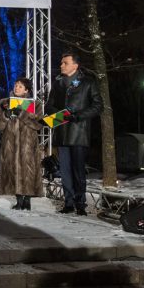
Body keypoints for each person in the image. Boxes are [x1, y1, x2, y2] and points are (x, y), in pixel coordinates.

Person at [45, 53, 103, 215]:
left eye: (65, 63)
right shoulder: (57, 84)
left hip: (79, 133)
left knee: (78, 171)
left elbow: (98, 106)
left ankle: (80, 204)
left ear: (75, 65)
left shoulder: (88, 82)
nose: (61, 65)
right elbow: (49, 106)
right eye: (61, 62)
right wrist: (60, 115)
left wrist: (78, 116)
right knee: (65, 171)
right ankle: (68, 203)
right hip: (62, 133)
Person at [0, 78, 43, 210]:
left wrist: (21, 113)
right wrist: (5, 115)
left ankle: (27, 201)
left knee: (28, 171)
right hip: (10, 143)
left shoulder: (35, 104)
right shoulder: (4, 103)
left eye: (20, 86)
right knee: (12, 169)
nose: (17, 88)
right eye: (16, 86)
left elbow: (38, 125)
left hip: (28, 143)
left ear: (27, 90)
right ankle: (18, 200)